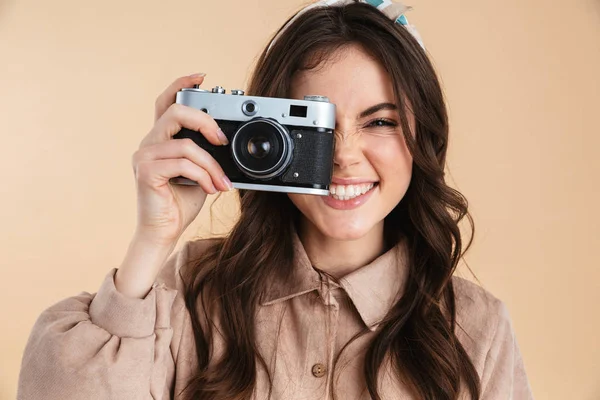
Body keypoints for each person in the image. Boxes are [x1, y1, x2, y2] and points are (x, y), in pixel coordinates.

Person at [17, 1, 534, 399]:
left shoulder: (475, 327)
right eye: (318, 126)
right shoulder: (193, 293)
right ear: (264, 134)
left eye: (380, 121)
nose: (345, 156)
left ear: (424, 136)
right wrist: (153, 240)